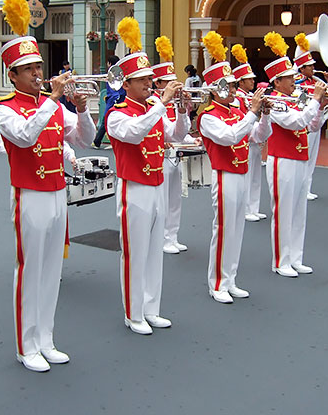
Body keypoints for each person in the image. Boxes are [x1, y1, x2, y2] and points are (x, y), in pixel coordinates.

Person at [0, 33, 95, 372]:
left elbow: (84, 139)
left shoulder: (51, 106)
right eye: (28, 69)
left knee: (52, 270)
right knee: (30, 269)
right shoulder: (5, 109)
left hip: (56, 193)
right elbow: (23, 136)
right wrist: (52, 100)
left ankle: (46, 339)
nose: (37, 73)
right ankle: (26, 344)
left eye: (38, 66)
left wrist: (82, 110)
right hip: (29, 194)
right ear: (12, 75)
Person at [106, 52, 189, 334]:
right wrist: (162, 103)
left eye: (148, 79)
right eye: (141, 80)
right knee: (135, 253)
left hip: (156, 186)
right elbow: (136, 133)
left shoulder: (153, 106)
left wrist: (181, 111)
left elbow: (175, 136)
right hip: (134, 188)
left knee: (155, 251)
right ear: (125, 84)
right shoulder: (116, 115)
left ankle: (151, 308)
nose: (148, 84)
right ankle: (133, 313)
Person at [198, 61, 269, 302]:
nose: (231, 89)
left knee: (237, 229)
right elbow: (230, 137)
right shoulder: (208, 117)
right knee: (224, 229)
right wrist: (252, 113)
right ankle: (217, 283)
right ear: (214, 89)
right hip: (224, 174)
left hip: (242, 173)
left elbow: (258, 136)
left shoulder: (238, 113)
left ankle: (231, 279)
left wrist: (265, 116)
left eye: (231, 85)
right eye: (226, 85)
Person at [264, 54, 327, 277]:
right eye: (288, 77)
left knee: (299, 211)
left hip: (299, 158)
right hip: (282, 160)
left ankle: (296, 257)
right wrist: (315, 101)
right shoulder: (275, 102)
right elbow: (296, 122)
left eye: (292, 76)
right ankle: (280, 261)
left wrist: (320, 107)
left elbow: (311, 126)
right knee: (284, 212)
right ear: (277, 82)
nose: (294, 80)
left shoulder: (295, 99)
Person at [151, 61, 197, 254]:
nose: (173, 85)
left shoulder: (171, 102)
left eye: (174, 81)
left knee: (175, 198)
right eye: (169, 82)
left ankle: (173, 236)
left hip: (175, 154)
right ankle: (162, 237)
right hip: (160, 157)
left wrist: (190, 138)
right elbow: (162, 129)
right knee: (163, 200)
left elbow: (176, 131)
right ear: (159, 83)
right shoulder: (154, 102)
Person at [293, 45, 328, 201]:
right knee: (306, 156)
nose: (313, 68)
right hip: (306, 123)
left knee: (312, 157)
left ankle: (307, 187)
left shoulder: (314, 82)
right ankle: (303, 187)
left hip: (316, 121)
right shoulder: (299, 83)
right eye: (309, 66)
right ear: (302, 69)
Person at [232, 62, 267, 222]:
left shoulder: (248, 96)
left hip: (254, 138)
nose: (253, 81)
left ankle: (254, 207)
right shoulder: (237, 99)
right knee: (248, 175)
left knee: (255, 176)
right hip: (246, 139)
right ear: (241, 82)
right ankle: (246, 209)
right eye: (249, 79)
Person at [93, 55, 124, 148]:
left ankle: (97, 141)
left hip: (114, 102)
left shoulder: (113, 75)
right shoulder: (119, 74)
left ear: (110, 63)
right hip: (116, 100)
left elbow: (114, 90)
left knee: (105, 122)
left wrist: (115, 99)